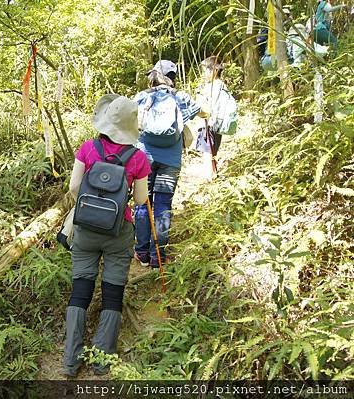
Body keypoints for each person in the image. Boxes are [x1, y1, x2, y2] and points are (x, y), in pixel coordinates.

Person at [63, 94, 150, 377]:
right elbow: (139, 200)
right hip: (118, 232)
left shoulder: (88, 148)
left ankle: (71, 358)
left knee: (80, 289)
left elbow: (74, 188)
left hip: (86, 228)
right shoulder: (138, 158)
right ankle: (102, 359)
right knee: (113, 292)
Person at [133, 60, 202, 269]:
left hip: (144, 157)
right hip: (171, 160)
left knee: (143, 203)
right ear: (172, 76)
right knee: (162, 206)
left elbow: (127, 119)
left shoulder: (142, 97)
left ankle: (142, 252)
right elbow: (199, 110)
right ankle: (158, 256)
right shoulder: (179, 96)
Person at [195, 56, 236, 178]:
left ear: (214, 70)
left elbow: (207, 107)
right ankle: (212, 175)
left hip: (209, 124)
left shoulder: (213, 86)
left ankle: (209, 177)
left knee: (207, 152)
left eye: (206, 70)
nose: (204, 73)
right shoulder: (221, 85)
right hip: (217, 124)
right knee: (212, 151)